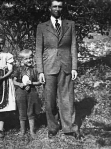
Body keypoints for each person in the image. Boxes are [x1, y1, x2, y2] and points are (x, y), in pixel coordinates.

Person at [35, 0, 82, 139]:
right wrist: (40, 71)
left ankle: (70, 127)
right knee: (50, 100)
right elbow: (38, 50)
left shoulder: (70, 24)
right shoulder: (42, 27)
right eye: (54, 6)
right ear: (50, 8)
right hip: (48, 66)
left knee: (67, 98)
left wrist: (74, 67)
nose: (57, 8)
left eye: (59, 6)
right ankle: (53, 127)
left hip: (66, 65)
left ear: (62, 8)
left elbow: (73, 46)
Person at [12, 49, 42, 139]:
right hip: (20, 92)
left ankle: (32, 131)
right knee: (22, 110)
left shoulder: (34, 70)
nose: (29, 60)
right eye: (26, 59)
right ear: (21, 60)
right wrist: (19, 84)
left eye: (30, 58)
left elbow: (39, 82)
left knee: (31, 110)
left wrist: (31, 83)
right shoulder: (18, 70)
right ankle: (22, 131)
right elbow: (14, 81)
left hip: (31, 92)